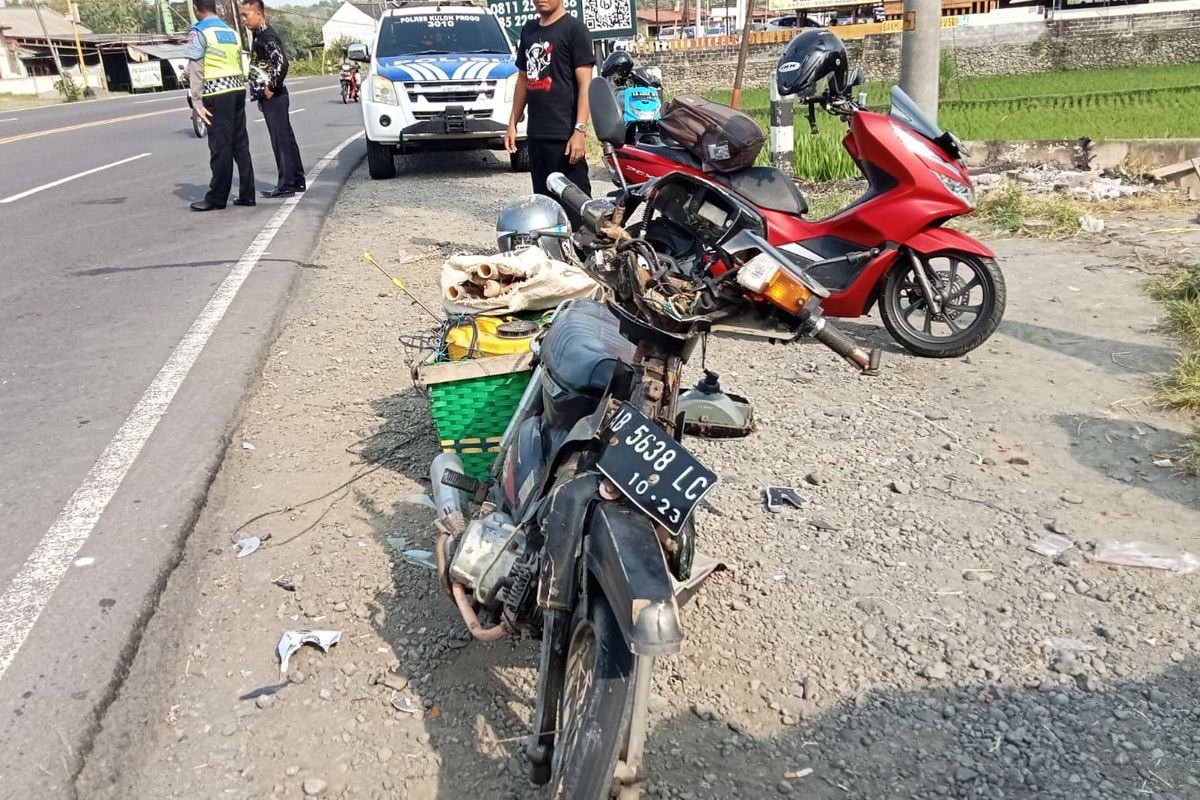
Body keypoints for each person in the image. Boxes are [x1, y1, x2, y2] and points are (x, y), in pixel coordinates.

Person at [504, 0, 595, 216]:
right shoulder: (529, 31)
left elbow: (586, 85)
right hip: (537, 136)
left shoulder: (575, 30)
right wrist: (512, 123)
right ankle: (552, 251)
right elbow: (523, 80)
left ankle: (586, 251)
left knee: (577, 211)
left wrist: (579, 131)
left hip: (565, 138)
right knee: (545, 209)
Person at [185, 0, 255, 211]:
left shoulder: (199, 31)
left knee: (220, 146)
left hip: (216, 93)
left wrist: (196, 101)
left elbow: (196, 68)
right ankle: (247, 194)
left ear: (197, 9)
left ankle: (217, 197)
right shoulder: (231, 31)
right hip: (236, 90)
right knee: (240, 144)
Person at [240, 0, 306, 197]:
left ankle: (286, 184)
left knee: (280, 140)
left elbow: (282, 63)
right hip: (272, 97)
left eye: (247, 15)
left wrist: (270, 88)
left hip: (275, 97)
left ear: (259, 15)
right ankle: (297, 180)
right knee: (286, 138)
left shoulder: (267, 36)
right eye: (242, 15)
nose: (244, 19)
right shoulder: (258, 35)